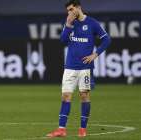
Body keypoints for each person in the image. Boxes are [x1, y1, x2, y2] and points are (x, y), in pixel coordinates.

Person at [46, 0, 111, 138]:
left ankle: (82, 129)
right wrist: (68, 24)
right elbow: (63, 40)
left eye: (71, 9)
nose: (69, 13)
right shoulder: (70, 23)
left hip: (85, 67)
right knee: (65, 96)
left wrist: (95, 54)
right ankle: (61, 129)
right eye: (68, 10)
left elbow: (106, 39)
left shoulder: (92, 23)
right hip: (70, 66)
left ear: (78, 8)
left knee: (84, 96)